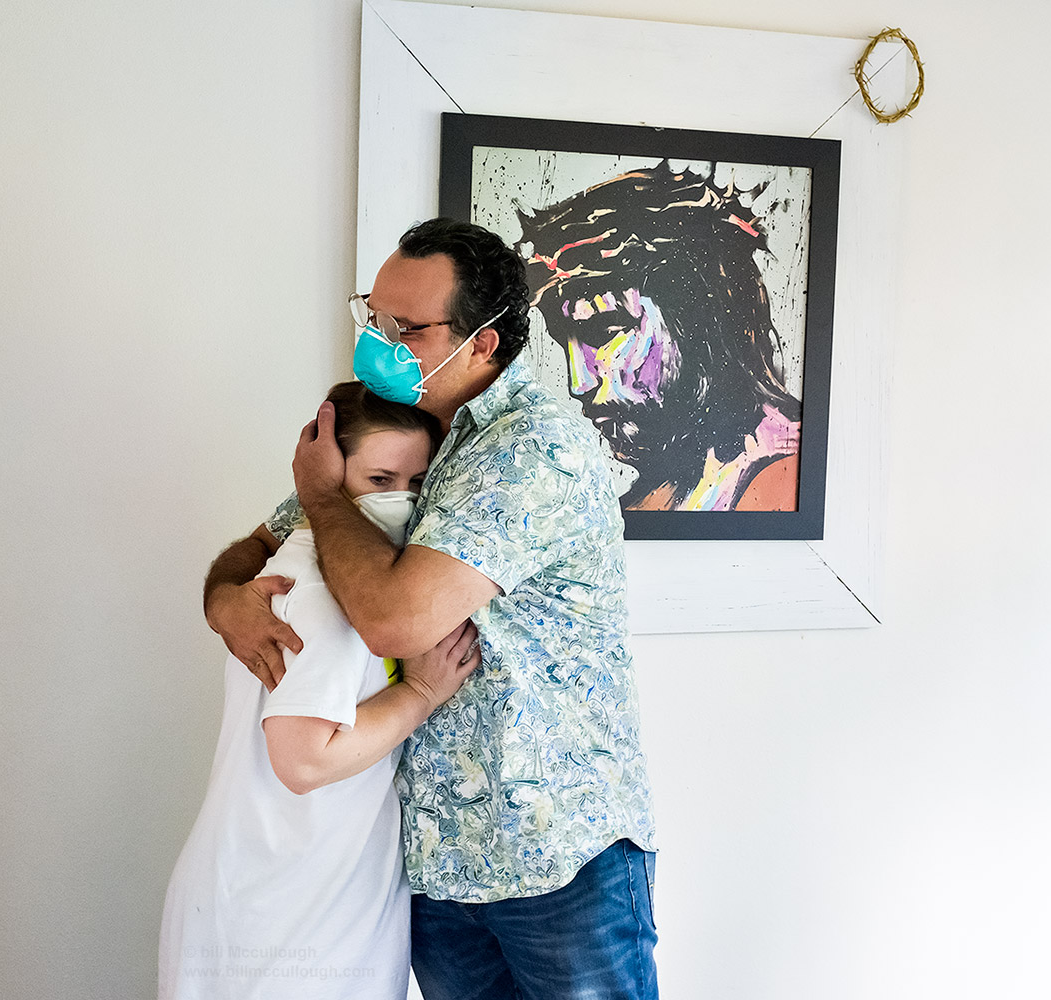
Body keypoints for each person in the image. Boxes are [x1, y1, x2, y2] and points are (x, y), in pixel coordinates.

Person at [203, 218, 658, 1000]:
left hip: (556, 853)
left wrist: (321, 489)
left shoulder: (533, 446)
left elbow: (396, 621)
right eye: (372, 318)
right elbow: (257, 548)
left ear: (483, 342)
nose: (379, 342)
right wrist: (224, 602)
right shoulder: (398, 432)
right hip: (435, 861)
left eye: (404, 328)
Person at [160, 382, 480, 1000]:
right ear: (327, 477)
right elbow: (303, 759)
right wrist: (420, 691)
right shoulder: (322, 581)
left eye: (419, 484)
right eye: (381, 479)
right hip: (285, 916)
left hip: (290, 898)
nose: (402, 501)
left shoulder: (338, 566)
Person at [519, 164, 803, 512]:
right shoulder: (646, 502)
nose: (578, 383)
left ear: (700, 318)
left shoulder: (790, 479)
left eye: (606, 331)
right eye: (564, 340)